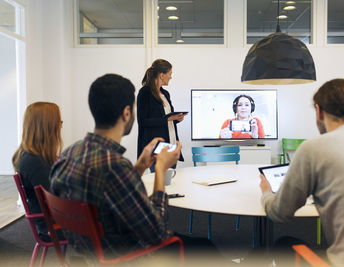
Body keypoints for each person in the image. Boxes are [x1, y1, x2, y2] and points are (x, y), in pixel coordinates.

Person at [49, 74, 221, 264]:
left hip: (87, 254)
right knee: (206, 247)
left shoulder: (68, 154)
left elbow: (114, 189)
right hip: (126, 256)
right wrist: (161, 171)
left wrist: (140, 166)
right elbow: (158, 231)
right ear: (126, 113)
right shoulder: (113, 166)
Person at [259, 78, 344, 266]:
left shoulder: (314, 149)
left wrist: (266, 193)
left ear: (318, 111)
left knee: (282, 244)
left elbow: (280, 213)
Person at [12, 102, 63, 242]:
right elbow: (56, 200)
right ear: (48, 127)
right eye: (59, 122)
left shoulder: (34, 157)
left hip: (53, 220)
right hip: (52, 226)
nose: (60, 126)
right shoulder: (34, 162)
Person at [137, 59, 186, 171]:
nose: (171, 77)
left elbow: (167, 119)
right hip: (157, 149)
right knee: (159, 183)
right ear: (162, 75)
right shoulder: (145, 93)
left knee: (171, 183)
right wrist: (167, 119)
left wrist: (176, 119)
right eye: (170, 74)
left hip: (171, 146)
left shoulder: (165, 94)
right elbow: (143, 121)